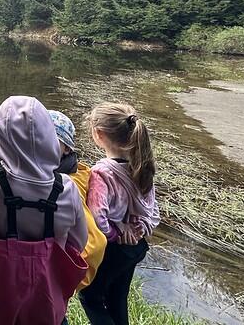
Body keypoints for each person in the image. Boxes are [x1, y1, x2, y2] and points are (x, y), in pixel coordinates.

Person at [0, 96, 88, 325]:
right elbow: (78, 243)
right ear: (48, 137)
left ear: (0, 134)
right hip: (45, 309)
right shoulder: (66, 189)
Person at [78, 102, 160, 325]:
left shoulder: (101, 173)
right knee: (117, 297)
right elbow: (152, 210)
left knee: (90, 297)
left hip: (113, 250)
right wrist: (139, 229)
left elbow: (97, 219)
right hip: (137, 246)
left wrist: (116, 233)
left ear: (99, 134)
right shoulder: (142, 166)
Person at [49, 110, 107, 293]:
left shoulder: (67, 185)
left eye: (52, 139)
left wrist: (64, 284)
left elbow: (95, 244)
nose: (42, 143)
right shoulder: (75, 171)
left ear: (67, 148)